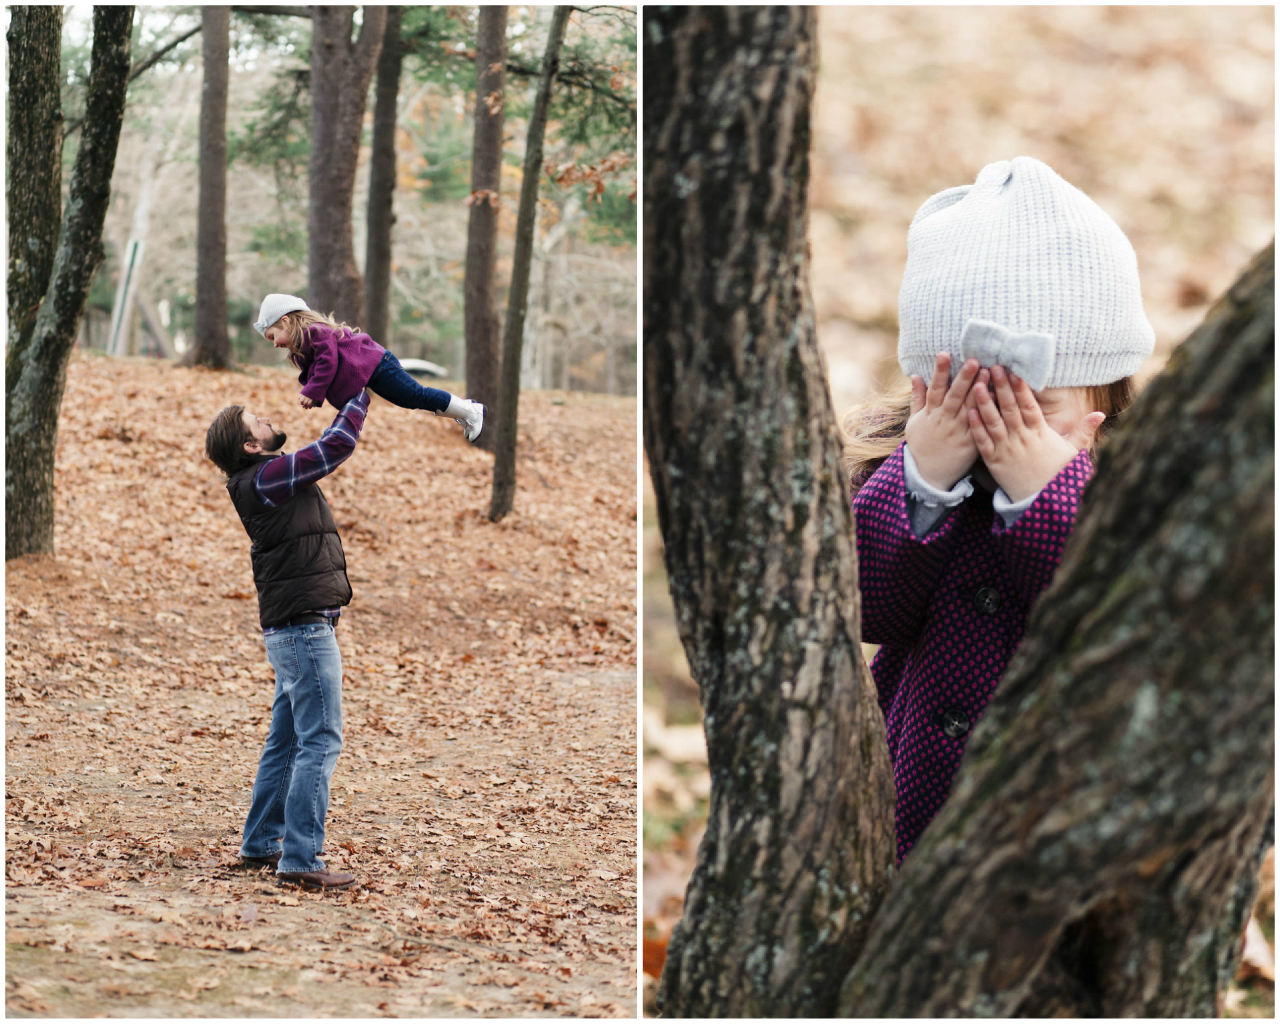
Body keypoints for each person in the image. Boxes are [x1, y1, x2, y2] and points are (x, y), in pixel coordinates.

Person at [841, 157, 1151, 863]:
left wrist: (1050, 495)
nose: (991, 428)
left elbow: (1116, 621)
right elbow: (865, 608)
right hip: (907, 816)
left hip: (1055, 838)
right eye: (959, 400)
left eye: (1029, 408)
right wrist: (921, 478)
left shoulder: (1134, 494)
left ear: (1104, 398)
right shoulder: (896, 471)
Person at [204, 389, 374, 890]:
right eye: (255, 421)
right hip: (302, 630)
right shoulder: (266, 479)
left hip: (294, 628)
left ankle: (260, 844)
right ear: (250, 447)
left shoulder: (262, 477)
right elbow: (335, 446)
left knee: (288, 741)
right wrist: (360, 391)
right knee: (320, 741)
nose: (266, 418)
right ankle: (300, 859)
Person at [253, 293, 486, 443]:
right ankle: (465, 412)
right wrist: (314, 393)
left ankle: (469, 411)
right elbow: (319, 371)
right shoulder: (304, 347)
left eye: (273, 336)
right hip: (372, 371)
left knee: (416, 395)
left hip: (378, 363)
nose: (274, 344)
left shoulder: (316, 332)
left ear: (286, 321)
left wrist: (312, 392)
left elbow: (328, 363)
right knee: (410, 400)